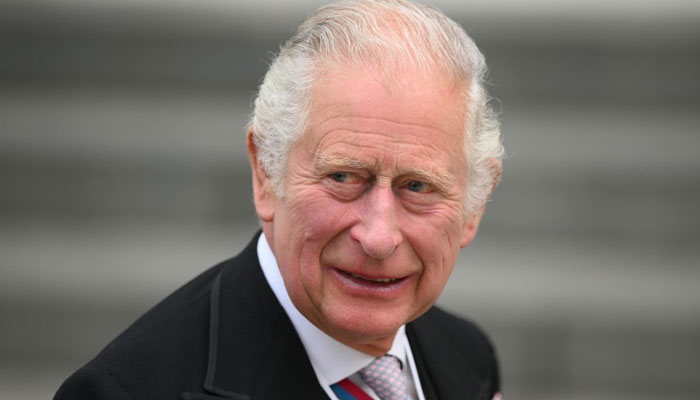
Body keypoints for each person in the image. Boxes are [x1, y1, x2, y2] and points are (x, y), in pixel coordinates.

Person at [54, 0, 504, 399]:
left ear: (475, 205)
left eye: (418, 186)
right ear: (266, 174)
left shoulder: (469, 357)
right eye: (343, 177)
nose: (378, 237)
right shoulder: (124, 391)